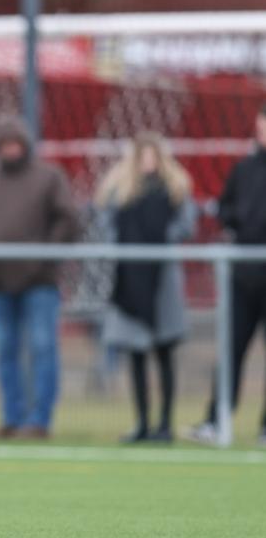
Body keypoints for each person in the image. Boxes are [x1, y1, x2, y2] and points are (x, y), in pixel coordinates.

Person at [0, 116, 79, 440]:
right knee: (5, 351)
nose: (10, 150)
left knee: (43, 348)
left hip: (39, 283)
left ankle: (39, 420)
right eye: (4, 145)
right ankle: (12, 418)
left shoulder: (49, 177)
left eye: (15, 144)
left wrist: (45, 258)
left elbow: (67, 221)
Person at [96, 132, 197, 443]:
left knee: (164, 353)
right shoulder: (121, 192)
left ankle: (165, 424)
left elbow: (186, 224)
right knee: (136, 355)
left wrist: (162, 237)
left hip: (162, 283)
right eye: (143, 156)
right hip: (130, 282)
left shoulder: (174, 190)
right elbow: (105, 222)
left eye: (153, 156)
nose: (148, 162)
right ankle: (142, 423)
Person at [186, 104, 266, 446]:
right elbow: (226, 208)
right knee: (231, 347)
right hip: (244, 274)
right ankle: (217, 420)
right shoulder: (244, 169)